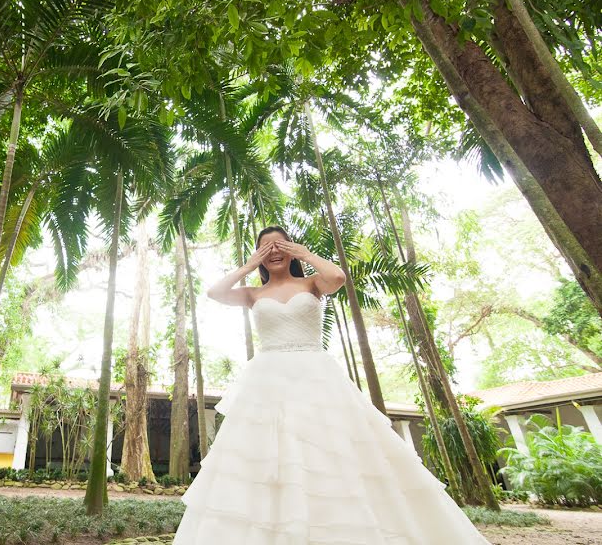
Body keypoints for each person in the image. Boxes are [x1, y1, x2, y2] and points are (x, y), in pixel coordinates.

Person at [173, 226, 490, 544]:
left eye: (279, 245)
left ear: (291, 248)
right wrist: (249, 265)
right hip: (267, 383)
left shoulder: (312, 283)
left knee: (331, 451)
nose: (273, 251)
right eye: (265, 248)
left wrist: (304, 253)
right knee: (266, 457)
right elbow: (215, 293)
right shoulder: (253, 294)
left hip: (317, 378)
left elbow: (337, 277)